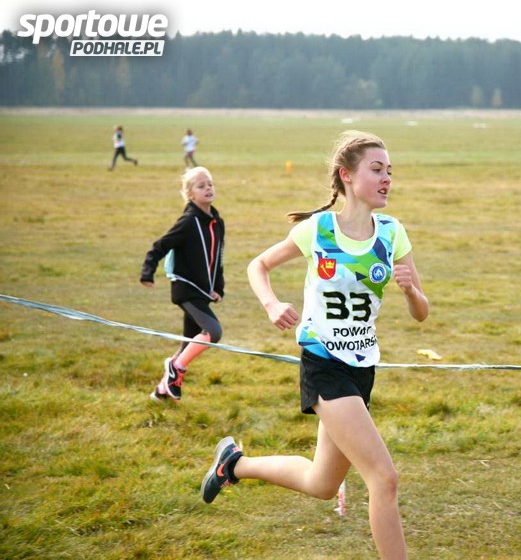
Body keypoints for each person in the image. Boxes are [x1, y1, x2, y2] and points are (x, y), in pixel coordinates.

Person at [201, 131, 429, 560]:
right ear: (347, 175)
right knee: (384, 479)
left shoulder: (392, 233)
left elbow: (422, 312)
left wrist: (410, 291)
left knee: (321, 484)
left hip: (363, 368)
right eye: (376, 169)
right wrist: (272, 304)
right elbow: (259, 265)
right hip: (323, 364)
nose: (387, 179)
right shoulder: (318, 230)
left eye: (389, 171)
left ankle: (233, 464)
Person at [140, 166, 225, 401]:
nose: (208, 188)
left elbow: (218, 258)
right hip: (185, 289)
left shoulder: (217, 222)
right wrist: (147, 272)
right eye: (201, 186)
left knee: (188, 343)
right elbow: (159, 246)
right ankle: (176, 367)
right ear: (190, 194)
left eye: (210, 184)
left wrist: (218, 287)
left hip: (202, 291)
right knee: (213, 332)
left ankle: (161, 391)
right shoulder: (188, 222)